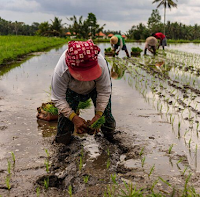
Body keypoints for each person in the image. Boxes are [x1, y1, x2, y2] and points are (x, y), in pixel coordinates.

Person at [51, 39, 116, 145]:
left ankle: (111, 140)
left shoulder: (101, 63)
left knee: (106, 116)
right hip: (71, 90)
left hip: (95, 88)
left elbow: (104, 91)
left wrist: (98, 115)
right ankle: (62, 145)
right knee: (64, 123)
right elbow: (58, 98)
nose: (85, 78)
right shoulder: (61, 70)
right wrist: (74, 118)